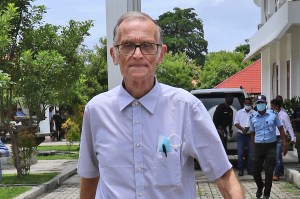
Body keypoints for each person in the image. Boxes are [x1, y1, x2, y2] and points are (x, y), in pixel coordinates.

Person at [77, 11, 244, 199]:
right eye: (128, 45)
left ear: (161, 54)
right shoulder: (97, 110)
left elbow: (224, 176)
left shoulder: (186, 108)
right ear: (114, 54)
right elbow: (90, 177)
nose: (137, 54)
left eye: (147, 45)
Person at [249, 95, 287, 199]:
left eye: (262, 103)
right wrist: (254, 147)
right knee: (255, 171)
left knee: (269, 171)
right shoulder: (252, 117)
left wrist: (284, 143)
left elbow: (281, 129)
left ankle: (266, 194)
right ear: (256, 105)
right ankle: (260, 186)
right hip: (258, 146)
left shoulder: (273, 115)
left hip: (271, 146)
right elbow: (252, 133)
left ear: (266, 104)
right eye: (258, 103)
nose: (260, 105)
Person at [270, 99, 295, 181]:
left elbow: (288, 126)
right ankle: (281, 170)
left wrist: (292, 137)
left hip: (281, 137)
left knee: (277, 156)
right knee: (276, 156)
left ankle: (276, 174)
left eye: (272, 106)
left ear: (276, 106)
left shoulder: (284, 115)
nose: (271, 107)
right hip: (272, 138)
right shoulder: (270, 113)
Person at [234, 97, 255, 176]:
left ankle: (250, 169)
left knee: (251, 153)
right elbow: (236, 122)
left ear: (251, 104)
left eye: (249, 104)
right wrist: (242, 129)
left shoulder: (254, 113)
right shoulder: (239, 112)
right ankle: (240, 170)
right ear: (244, 104)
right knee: (240, 154)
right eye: (246, 104)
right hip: (241, 135)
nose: (248, 105)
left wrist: (250, 128)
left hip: (250, 135)